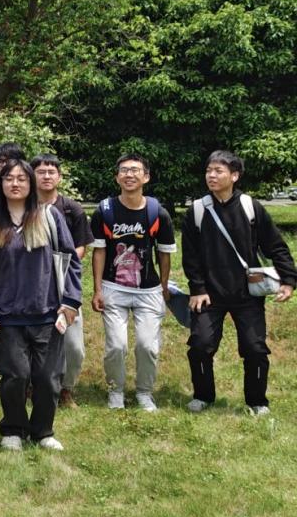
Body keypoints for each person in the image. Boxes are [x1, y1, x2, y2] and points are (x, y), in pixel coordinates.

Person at [0, 160, 82, 452]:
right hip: (9, 317)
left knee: (48, 379)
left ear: (31, 183)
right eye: (9, 178)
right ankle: (13, 429)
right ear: (1, 184)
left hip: (48, 314)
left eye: (22, 178)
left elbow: (70, 260)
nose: (15, 183)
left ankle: (42, 432)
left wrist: (70, 301)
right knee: (15, 377)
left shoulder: (49, 216)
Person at [182, 151, 297, 415]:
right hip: (209, 294)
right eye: (209, 170)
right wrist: (197, 288)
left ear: (234, 176)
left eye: (218, 171)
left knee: (255, 348)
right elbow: (190, 255)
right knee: (200, 345)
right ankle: (203, 396)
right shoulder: (197, 210)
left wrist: (289, 280)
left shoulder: (250, 207)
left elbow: (276, 246)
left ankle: (257, 402)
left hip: (247, 294)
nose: (211, 175)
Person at [90, 153, 175, 412]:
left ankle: (144, 392)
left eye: (135, 170)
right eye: (124, 170)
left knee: (147, 346)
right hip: (113, 287)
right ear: (117, 177)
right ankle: (115, 391)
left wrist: (163, 286)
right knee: (116, 346)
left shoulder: (158, 213)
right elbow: (99, 251)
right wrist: (97, 289)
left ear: (146, 177)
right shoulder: (105, 211)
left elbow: (164, 253)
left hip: (148, 289)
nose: (129, 174)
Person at [31, 154, 92, 409]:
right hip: (32, 286)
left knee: (74, 345)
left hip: (65, 284)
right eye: (41, 172)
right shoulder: (25, 207)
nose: (46, 176)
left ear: (59, 177)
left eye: (51, 172)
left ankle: (66, 389)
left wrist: (57, 264)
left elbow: (81, 247)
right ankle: (33, 385)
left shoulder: (71, 209)